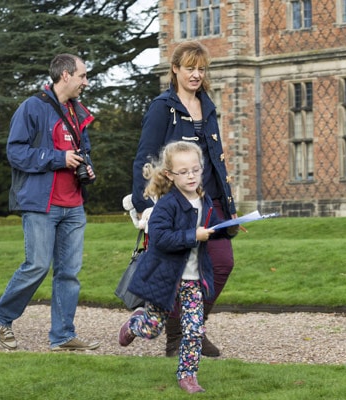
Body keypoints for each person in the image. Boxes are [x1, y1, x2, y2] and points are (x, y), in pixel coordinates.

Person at [131, 40, 238, 358]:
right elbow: (145, 160)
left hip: (210, 203)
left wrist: (226, 200)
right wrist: (146, 205)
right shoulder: (162, 108)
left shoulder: (207, 105)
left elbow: (214, 157)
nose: (196, 74)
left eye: (201, 69)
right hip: (175, 204)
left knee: (221, 264)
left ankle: (195, 327)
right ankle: (176, 339)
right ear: (175, 69)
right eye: (190, 68)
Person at [0, 53, 100, 352]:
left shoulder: (79, 112)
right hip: (42, 204)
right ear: (65, 75)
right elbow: (15, 153)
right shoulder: (32, 108)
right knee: (37, 265)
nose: (85, 82)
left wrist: (86, 168)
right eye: (82, 76)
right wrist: (58, 158)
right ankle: (1, 316)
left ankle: (63, 335)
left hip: (74, 205)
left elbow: (83, 150)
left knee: (69, 272)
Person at [119, 141, 230, 394]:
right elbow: (161, 238)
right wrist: (193, 236)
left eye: (195, 169)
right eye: (184, 171)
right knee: (152, 328)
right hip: (166, 278)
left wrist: (229, 229)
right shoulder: (167, 205)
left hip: (193, 280)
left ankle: (188, 376)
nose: (191, 176)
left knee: (193, 330)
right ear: (170, 174)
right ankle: (135, 323)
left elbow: (213, 229)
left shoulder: (206, 199)